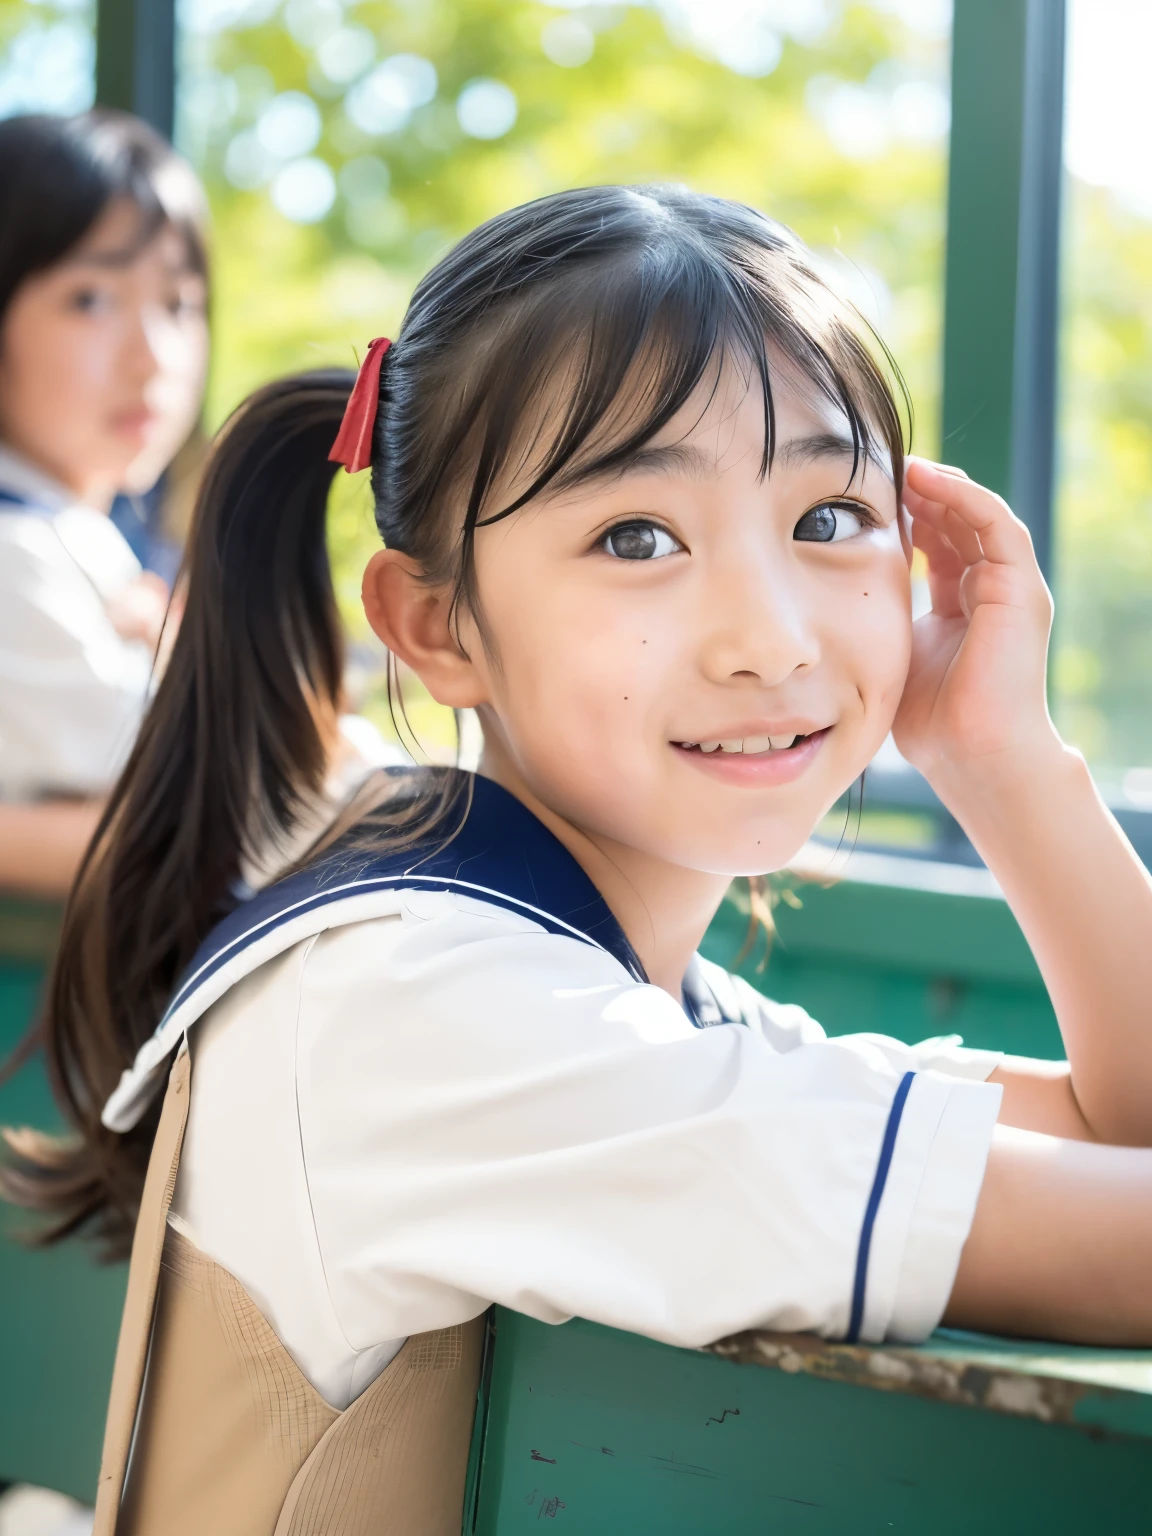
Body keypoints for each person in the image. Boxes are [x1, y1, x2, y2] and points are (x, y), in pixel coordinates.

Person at [7, 185, 1152, 1533]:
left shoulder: (570, 972)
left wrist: (1003, 763)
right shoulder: (448, 1014)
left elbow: (1116, 1126)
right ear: (435, 627)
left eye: (830, 516)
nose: (769, 638)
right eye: (637, 539)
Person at [0, 111, 210, 897]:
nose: (153, 354)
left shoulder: (68, 533)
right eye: (91, 299)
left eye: (180, 304)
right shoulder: (16, 549)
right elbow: (212, 800)